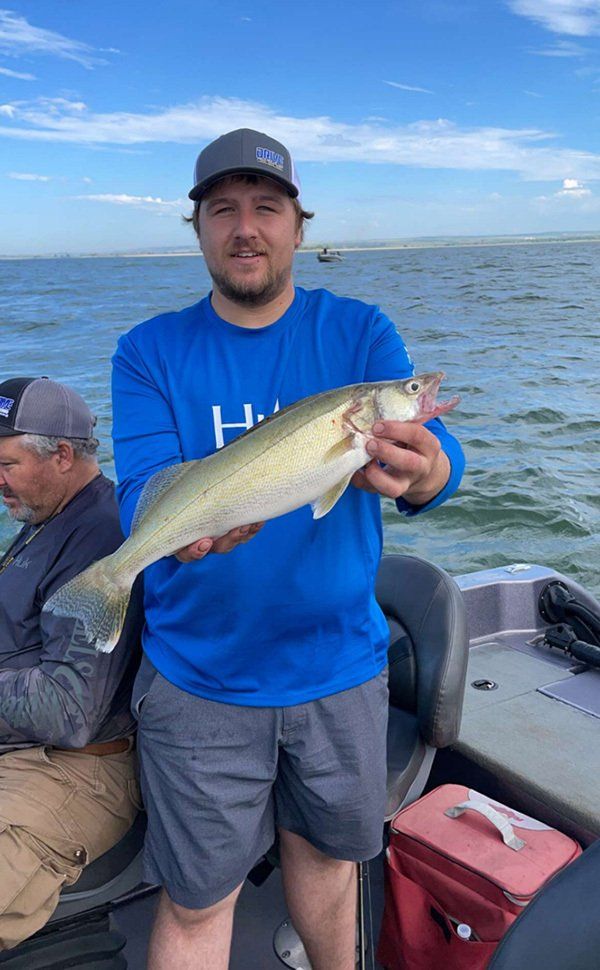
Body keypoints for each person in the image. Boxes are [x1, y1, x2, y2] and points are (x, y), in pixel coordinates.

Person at [111, 127, 465, 970]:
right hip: (199, 680)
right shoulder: (147, 350)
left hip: (339, 671)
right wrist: (162, 540)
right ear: (196, 229)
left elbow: (434, 468)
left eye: (266, 208)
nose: (246, 228)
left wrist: (423, 470)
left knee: (329, 866)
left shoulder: (361, 333)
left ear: (298, 227)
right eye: (223, 210)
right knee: (197, 902)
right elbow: (143, 490)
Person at [0, 376, 143, 950]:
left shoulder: (100, 539)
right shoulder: (43, 519)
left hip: (72, 769)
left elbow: (67, 708)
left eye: (7, 464)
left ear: (62, 455)